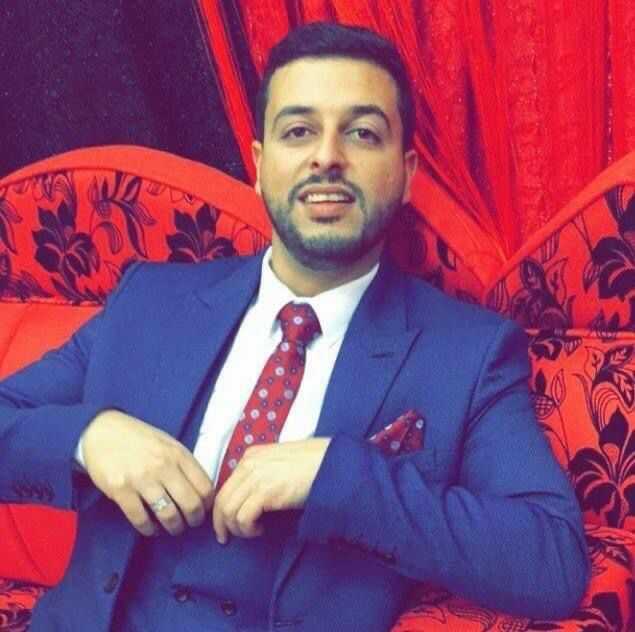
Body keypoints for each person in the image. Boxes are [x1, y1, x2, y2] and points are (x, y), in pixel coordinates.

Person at [0, 22, 588, 632]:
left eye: (362, 133)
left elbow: (551, 559)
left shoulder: (469, 353)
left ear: (407, 172)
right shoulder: (149, 301)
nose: (327, 157)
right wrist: (89, 437)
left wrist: (340, 476)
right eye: (298, 130)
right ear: (259, 166)